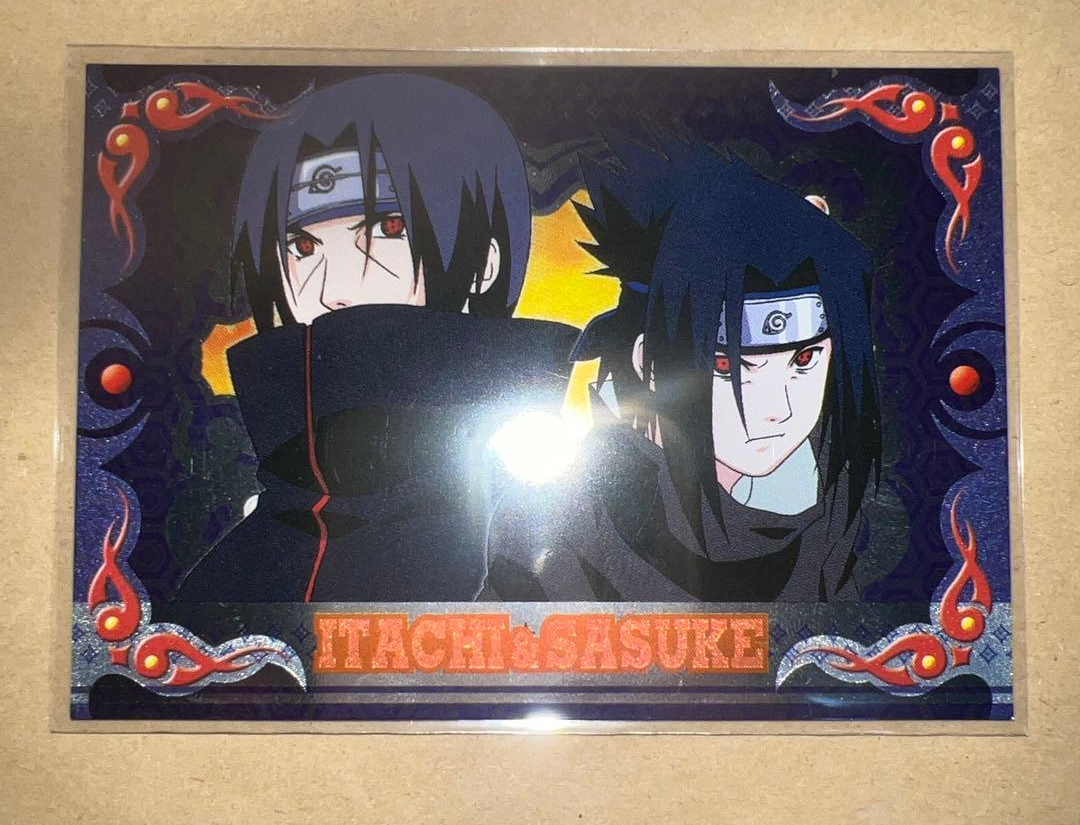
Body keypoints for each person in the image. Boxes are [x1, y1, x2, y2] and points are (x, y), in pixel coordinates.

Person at [177, 74, 576, 602]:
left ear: (483, 262)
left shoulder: (552, 540)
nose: (334, 290)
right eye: (302, 247)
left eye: (388, 231)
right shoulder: (235, 572)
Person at [479, 132, 881, 602]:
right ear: (647, 361)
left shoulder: (831, 514)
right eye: (729, 365)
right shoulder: (559, 521)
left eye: (804, 359)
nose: (778, 409)